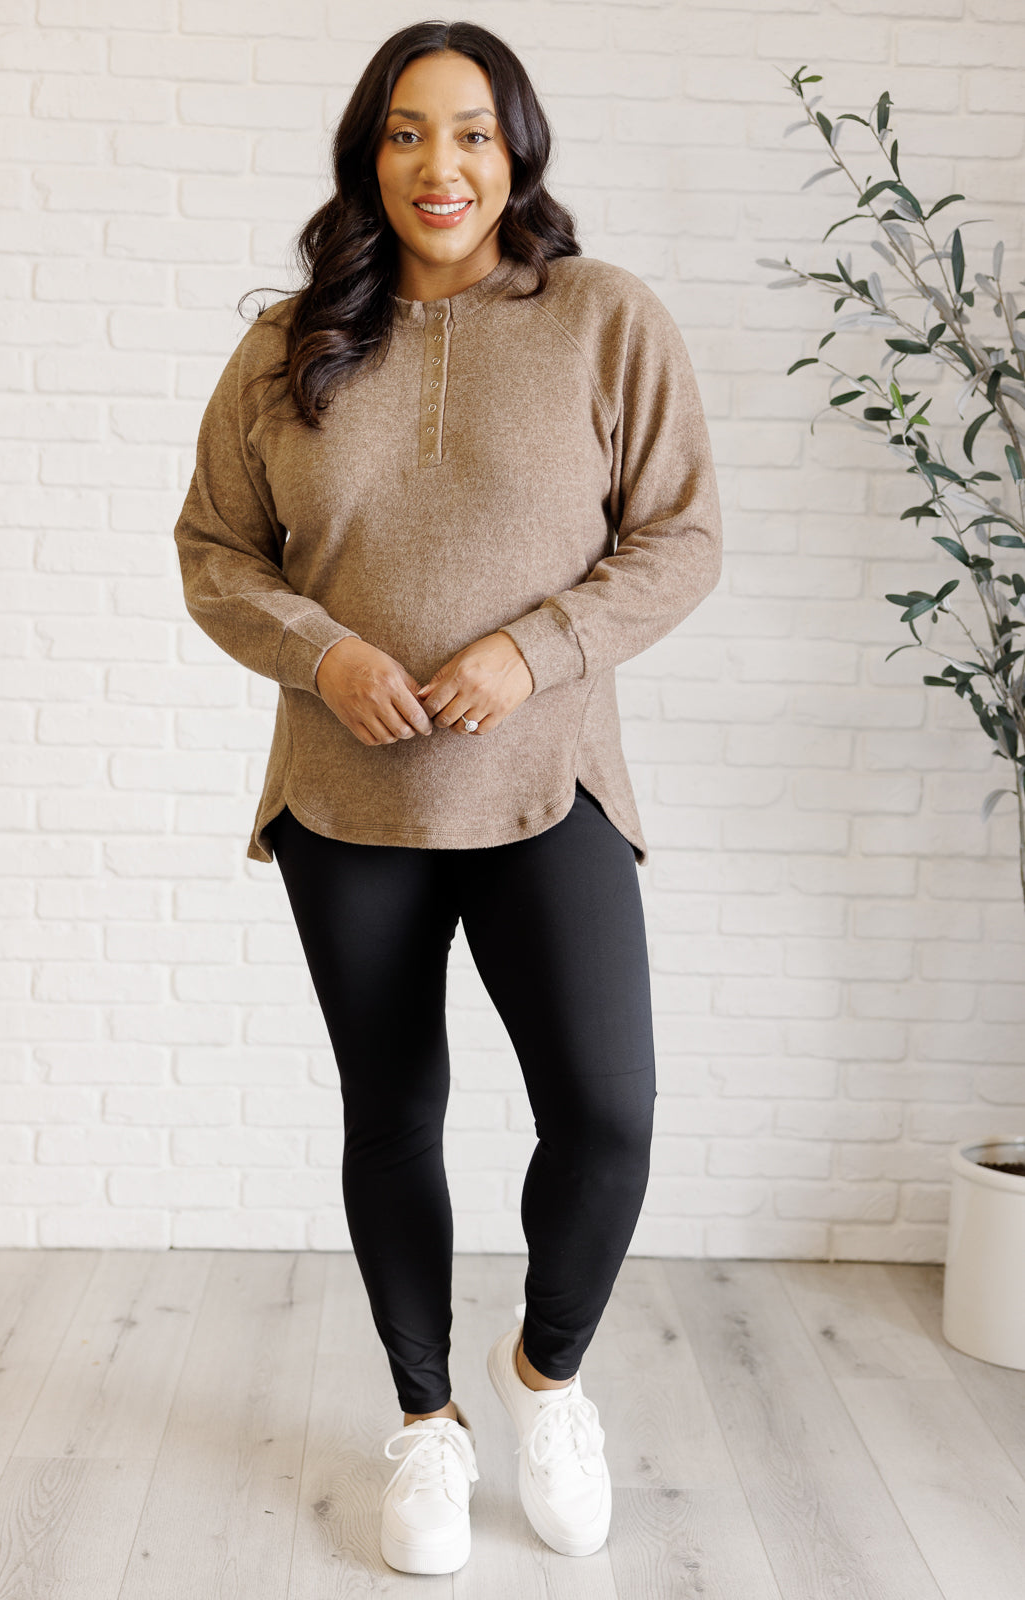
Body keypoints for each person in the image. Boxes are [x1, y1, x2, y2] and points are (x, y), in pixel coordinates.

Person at [174, 17, 722, 1578]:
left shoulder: (605, 319)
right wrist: (326, 652)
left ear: (516, 149)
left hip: (549, 782)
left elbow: (680, 537)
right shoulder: (287, 346)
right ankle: (424, 1421)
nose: (441, 165)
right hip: (345, 800)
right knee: (394, 1113)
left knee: (607, 1115)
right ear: (370, 153)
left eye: (472, 132)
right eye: (408, 132)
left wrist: (531, 650)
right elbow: (214, 551)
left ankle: (543, 1379)